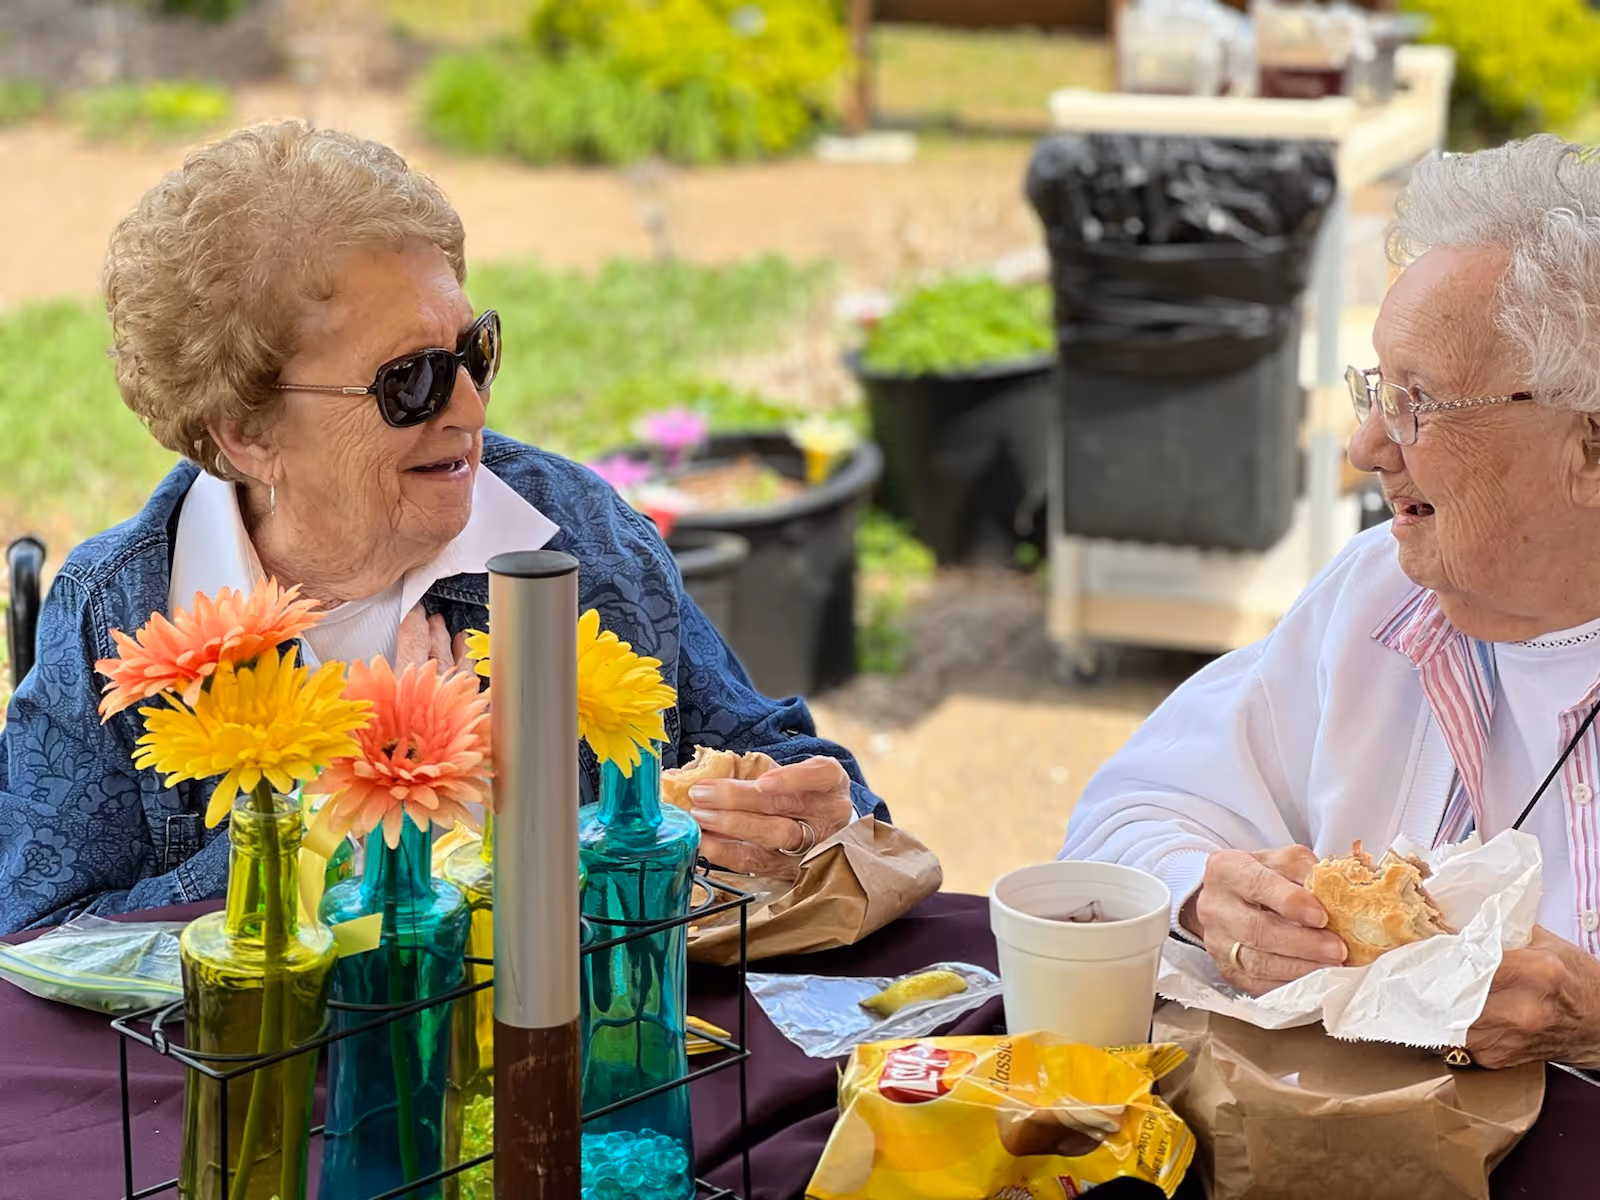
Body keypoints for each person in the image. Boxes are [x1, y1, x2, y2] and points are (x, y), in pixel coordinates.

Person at [0, 120, 886, 935]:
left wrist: (813, 811)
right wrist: (331, 814)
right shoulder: (118, 613)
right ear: (247, 432)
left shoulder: (570, 531)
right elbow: (37, 938)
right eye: (409, 381)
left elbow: (777, 754)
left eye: (474, 353)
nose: (468, 407)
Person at [1062, 135, 1600, 1070]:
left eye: (1418, 402)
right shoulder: (1382, 591)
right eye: (1375, 392)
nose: (1366, 447)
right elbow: (1123, 816)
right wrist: (1208, 898)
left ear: (1590, 446)